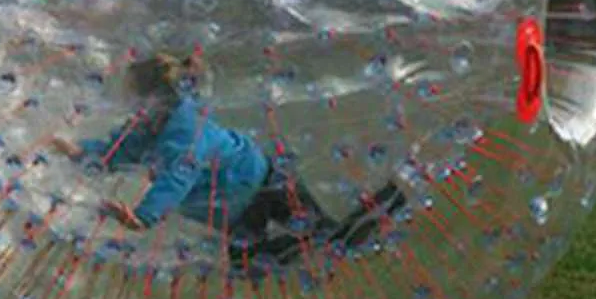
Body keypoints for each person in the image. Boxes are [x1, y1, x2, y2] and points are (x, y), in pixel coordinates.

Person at [52, 51, 407, 270]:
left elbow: (179, 174)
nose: (127, 101)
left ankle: (390, 202)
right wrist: (83, 154)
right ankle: (326, 248)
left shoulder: (184, 130)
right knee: (250, 263)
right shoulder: (149, 125)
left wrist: (144, 216)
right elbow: (122, 148)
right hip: (235, 204)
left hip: (263, 185)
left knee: (316, 238)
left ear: (155, 98)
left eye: (132, 95)